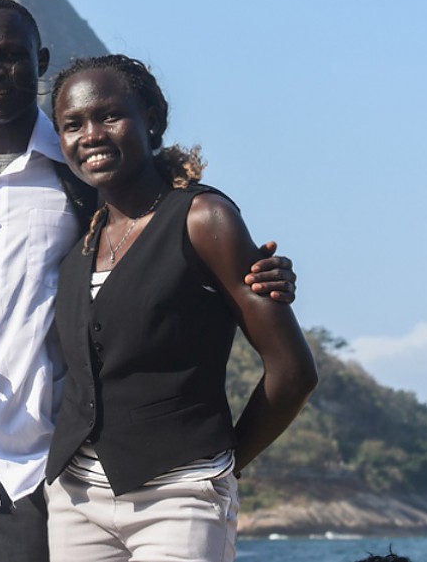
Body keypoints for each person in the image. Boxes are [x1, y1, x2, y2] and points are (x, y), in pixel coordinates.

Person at [0, 0, 297, 562]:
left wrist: (256, 273)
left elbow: (162, 227)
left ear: (40, 62)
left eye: (10, 55)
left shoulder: (83, 174)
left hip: (33, 483)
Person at [44, 54, 320, 562]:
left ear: (150, 118)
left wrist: (225, 463)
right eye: (72, 124)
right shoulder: (79, 240)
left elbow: (293, 371)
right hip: (75, 500)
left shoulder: (203, 218)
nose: (91, 134)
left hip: (181, 498)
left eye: (109, 116)